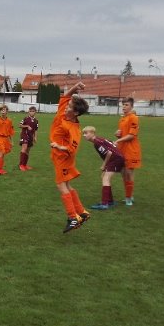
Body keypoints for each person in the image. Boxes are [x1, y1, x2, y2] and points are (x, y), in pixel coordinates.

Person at [49, 82, 90, 233]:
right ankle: (82, 212)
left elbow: (72, 149)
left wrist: (59, 146)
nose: (67, 107)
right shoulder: (64, 112)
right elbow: (65, 97)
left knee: (61, 185)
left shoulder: (74, 129)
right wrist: (75, 87)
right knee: (67, 185)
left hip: (64, 158)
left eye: (70, 107)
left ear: (76, 113)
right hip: (58, 156)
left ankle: (73, 217)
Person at [81, 126, 125, 210]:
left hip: (115, 159)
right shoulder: (99, 139)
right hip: (116, 158)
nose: (84, 135)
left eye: (86, 133)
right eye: (83, 133)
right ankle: (110, 201)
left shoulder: (97, 142)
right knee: (104, 177)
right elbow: (113, 143)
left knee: (105, 178)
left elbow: (109, 153)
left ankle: (105, 204)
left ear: (92, 133)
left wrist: (104, 165)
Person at [114, 97, 141, 205]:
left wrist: (118, 140)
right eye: (123, 105)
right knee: (123, 173)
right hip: (122, 148)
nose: (124, 107)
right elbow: (123, 133)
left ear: (131, 106)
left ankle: (129, 198)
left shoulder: (134, 118)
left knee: (129, 173)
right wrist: (118, 134)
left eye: (127, 105)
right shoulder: (122, 119)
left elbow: (131, 135)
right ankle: (129, 196)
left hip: (131, 149)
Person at [18, 105, 39, 171]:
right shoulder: (25, 118)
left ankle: (25, 165)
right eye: (30, 111)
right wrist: (27, 126)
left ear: (35, 112)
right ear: (28, 112)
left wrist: (35, 137)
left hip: (30, 137)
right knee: (24, 148)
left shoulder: (36, 120)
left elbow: (36, 130)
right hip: (24, 135)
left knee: (27, 151)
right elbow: (19, 125)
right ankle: (21, 165)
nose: (32, 112)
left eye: (33, 111)